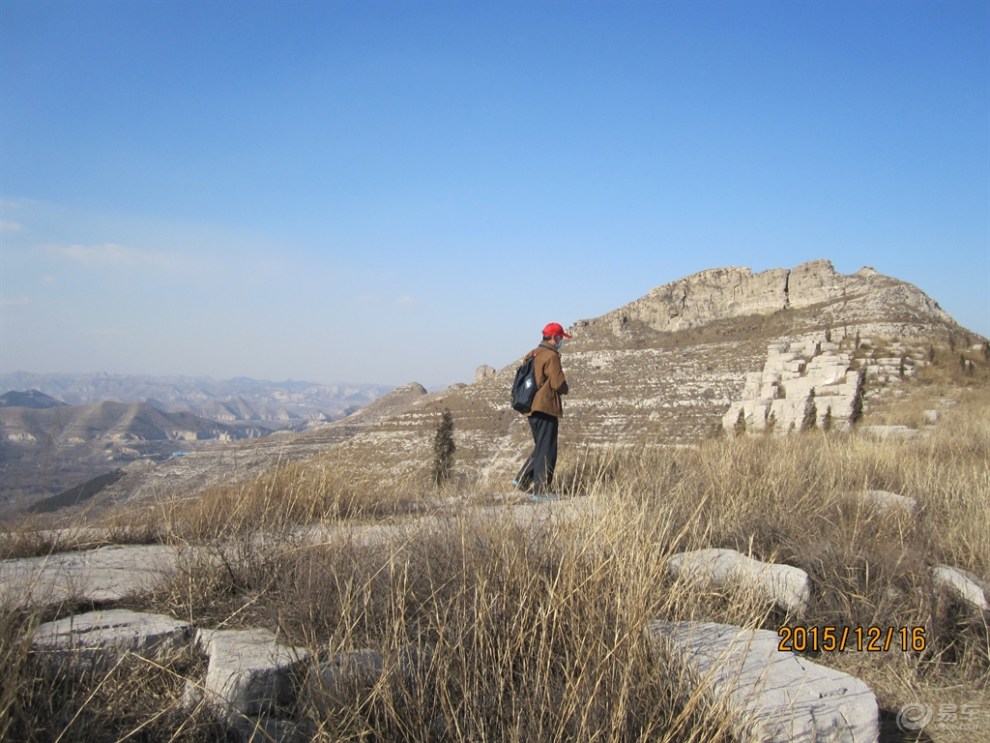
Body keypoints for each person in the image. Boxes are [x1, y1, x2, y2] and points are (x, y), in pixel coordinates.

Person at [514, 322, 571, 498]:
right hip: (545, 407)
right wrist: (565, 389)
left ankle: (522, 480)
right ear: (554, 338)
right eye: (561, 338)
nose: (562, 341)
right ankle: (542, 490)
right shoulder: (551, 356)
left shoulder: (533, 353)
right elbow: (558, 383)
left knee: (540, 446)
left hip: (530, 408)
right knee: (548, 449)